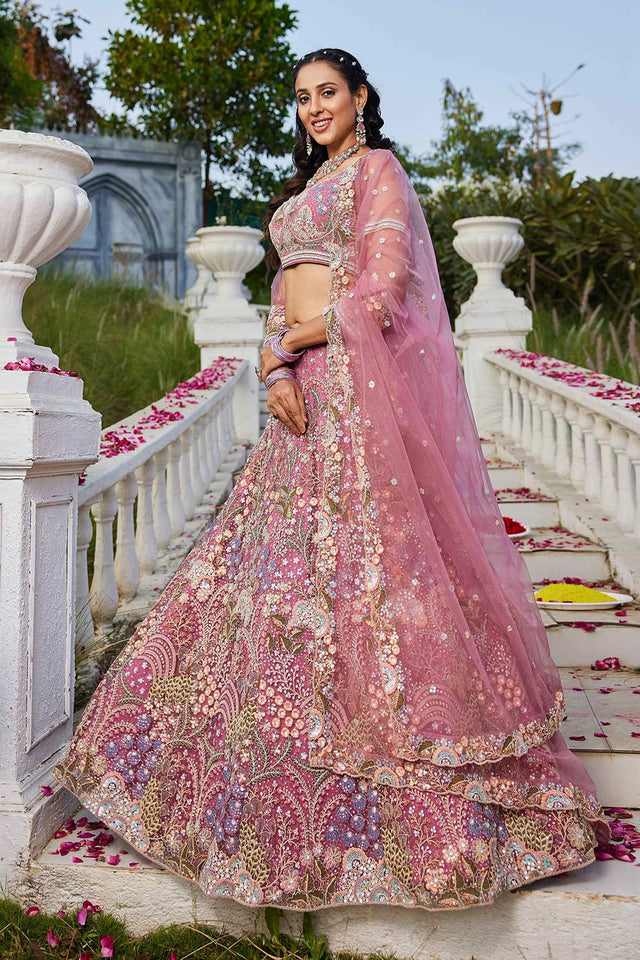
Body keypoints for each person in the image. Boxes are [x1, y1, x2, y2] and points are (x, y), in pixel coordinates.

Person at [53, 47, 610, 911]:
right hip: (300, 400)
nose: (315, 107)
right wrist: (275, 367)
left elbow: (384, 290)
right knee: (271, 578)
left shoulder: (378, 171)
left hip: (357, 397)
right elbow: (285, 291)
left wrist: (292, 342)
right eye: (303, 97)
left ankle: (405, 780)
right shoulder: (307, 186)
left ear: (360, 98)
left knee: (374, 573)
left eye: (328, 93)